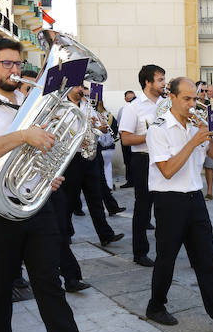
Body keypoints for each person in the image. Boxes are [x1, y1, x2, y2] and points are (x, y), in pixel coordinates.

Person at [0, 37, 107, 332]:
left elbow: (44, 149)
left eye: (17, 64)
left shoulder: (32, 102)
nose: (14, 70)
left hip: (36, 203)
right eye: (6, 64)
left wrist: (48, 174)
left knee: (49, 281)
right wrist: (23, 135)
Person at [143, 76, 213, 332]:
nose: (193, 104)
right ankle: (155, 305)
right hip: (169, 201)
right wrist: (192, 142)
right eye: (187, 99)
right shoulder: (158, 128)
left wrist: (212, 136)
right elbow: (167, 170)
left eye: (196, 99)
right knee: (166, 259)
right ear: (172, 97)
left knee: (207, 260)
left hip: (195, 199)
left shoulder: (196, 126)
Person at [63, 85, 124, 246]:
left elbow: (96, 126)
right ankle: (66, 233)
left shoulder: (87, 106)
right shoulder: (61, 107)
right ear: (68, 88)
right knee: (69, 199)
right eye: (77, 87)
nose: (81, 90)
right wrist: (75, 141)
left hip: (90, 157)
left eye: (81, 87)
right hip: (72, 158)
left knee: (95, 198)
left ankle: (106, 235)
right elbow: (59, 132)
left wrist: (101, 129)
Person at [120, 65, 165, 267]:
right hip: (144, 159)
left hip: (165, 158)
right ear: (148, 82)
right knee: (143, 207)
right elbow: (126, 139)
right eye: (160, 80)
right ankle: (140, 252)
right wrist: (150, 136)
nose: (164, 83)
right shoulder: (133, 107)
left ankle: (166, 249)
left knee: (165, 206)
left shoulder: (168, 104)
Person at [117, 90, 137, 189]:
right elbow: (119, 124)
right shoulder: (122, 110)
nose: (131, 100)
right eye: (129, 99)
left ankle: (137, 180)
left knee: (136, 161)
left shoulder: (139, 109)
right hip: (125, 139)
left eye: (133, 98)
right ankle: (129, 180)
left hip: (135, 139)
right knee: (127, 161)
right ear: (125, 99)